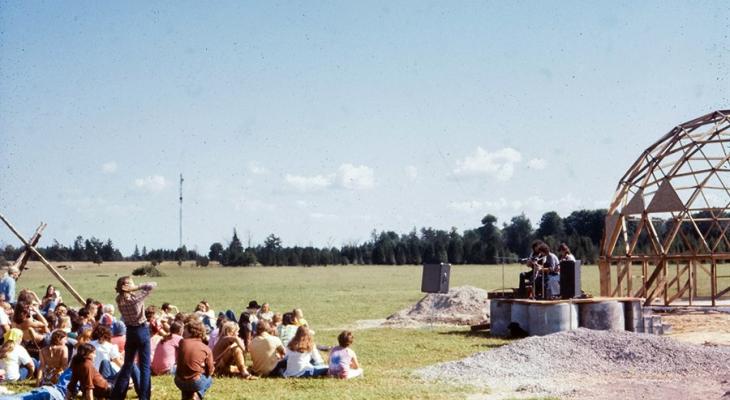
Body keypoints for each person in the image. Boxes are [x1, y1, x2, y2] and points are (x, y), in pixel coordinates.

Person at [110, 276, 156, 400]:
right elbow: (152, 285)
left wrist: (128, 289)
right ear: (127, 286)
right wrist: (136, 287)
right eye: (131, 283)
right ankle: (144, 396)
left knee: (128, 364)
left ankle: (117, 395)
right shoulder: (136, 298)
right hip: (141, 329)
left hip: (130, 331)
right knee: (145, 366)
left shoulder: (118, 299)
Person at [175, 319, 214, 400]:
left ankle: (186, 396)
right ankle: (197, 395)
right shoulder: (206, 349)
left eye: (185, 330)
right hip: (195, 383)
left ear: (191, 332)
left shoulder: (182, 342)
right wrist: (203, 369)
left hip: (179, 381)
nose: (183, 332)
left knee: (185, 373)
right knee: (209, 379)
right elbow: (210, 371)